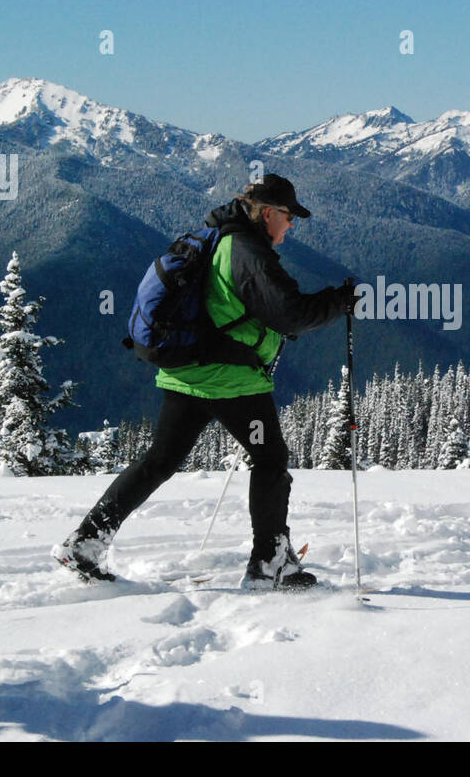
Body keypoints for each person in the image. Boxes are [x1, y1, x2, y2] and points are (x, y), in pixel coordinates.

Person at [52, 174, 355, 589]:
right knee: (269, 461)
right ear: (268, 213)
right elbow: (289, 314)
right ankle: (269, 564)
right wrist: (340, 301)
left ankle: (85, 542)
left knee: (159, 461)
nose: (291, 226)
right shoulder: (246, 249)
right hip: (229, 380)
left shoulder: (216, 237)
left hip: (186, 372)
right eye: (288, 216)